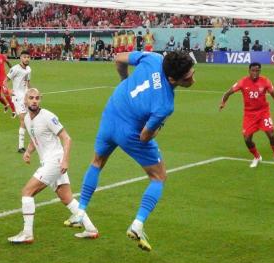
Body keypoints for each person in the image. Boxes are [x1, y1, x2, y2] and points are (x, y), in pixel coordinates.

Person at [74, 50, 195, 252]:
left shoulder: (154, 58)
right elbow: (144, 137)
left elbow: (118, 58)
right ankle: (137, 225)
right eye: (188, 77)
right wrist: (158, 129)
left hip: (112, 110)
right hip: (129, 131)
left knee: (97, 162)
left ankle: (80, 211)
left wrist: (124, 79)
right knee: (159, 176)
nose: (193, 79)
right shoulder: (165, 104)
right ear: (173, 79)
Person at [9, 88, 99, 244]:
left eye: (37, 98)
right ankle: (91, 229)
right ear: (25, 100)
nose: (34, 100)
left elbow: (67, 138)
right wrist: (28, 152)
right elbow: (34, 137)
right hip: (50, 162)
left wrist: (65, 160)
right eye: (31, 98)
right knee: (67, 199)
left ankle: (27, 234)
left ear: (40, 100)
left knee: (27, 192)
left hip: (55, 161)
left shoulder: (48, 117)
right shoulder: (28, 119)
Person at [218, 62, 274, 169]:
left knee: (271, 134)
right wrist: (223, 102)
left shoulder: (265, 81)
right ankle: (257, 156)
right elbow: (228, 93)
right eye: (253, 70)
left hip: (263, 112)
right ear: (249, 70)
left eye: (257, 70)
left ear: (260, 71)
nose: (255, 73)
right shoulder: (242, 82)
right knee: (247, 139)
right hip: (249, 114)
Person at [7, 50, 32, 152]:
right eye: (25, 57)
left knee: (29, 119)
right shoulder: (15, 69)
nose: (26, 59)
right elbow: (5, 81)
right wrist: (8, 90)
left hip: (26, 96)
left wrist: (32, 93)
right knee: (23, 119)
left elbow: (28, 83)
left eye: (28, 57)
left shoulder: (29, 69)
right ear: (21, 58)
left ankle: (31, 141)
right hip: (17, 97)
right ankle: (21, 146)